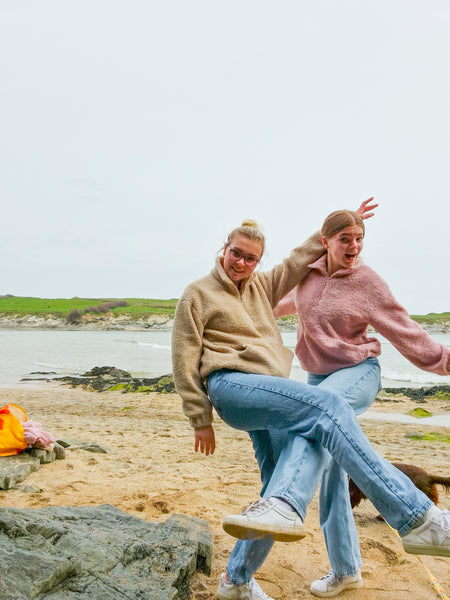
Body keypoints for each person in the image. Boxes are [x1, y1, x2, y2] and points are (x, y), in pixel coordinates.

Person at [171, 202, 449, 600]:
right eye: (237, 253)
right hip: (236, 385)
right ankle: (417, 517)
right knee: (327, 409)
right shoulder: (199, 293)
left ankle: (237, 580)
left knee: (281, 478)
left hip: (300, 384)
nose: (243, 263)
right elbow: (183, 355)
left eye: (252, 258)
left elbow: (299, 260)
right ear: (224, 248)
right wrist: (199, 416)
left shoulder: (263, 286)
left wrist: (443, 360)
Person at [270, 207, 450, 596]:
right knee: (333, 474)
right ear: (325, 242)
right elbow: (278, 305)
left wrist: (444, 360)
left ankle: (286, 503)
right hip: (319, 378)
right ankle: (346, 569)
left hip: (360, 371)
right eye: (345, 239)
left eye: (359, 239)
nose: (353, 247)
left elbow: (405, 330)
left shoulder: (367, 282)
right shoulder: (308, 274)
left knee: (314, 416)